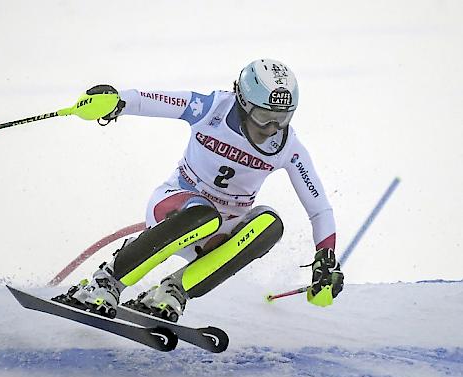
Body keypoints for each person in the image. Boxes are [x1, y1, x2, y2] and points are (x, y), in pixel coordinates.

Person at [54, 59, 344, 322]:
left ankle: (173, 290)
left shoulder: (288, 147)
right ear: (243, 102)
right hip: (176, 208)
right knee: (206, 215)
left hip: (216, 237)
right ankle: (107, 281)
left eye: (281, 117)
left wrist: (326, 259)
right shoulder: (211, 108)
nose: (271, 128)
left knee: (271, 225)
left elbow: (319, 209)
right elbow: (151, 100)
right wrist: (118, 102)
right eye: (264, 116)